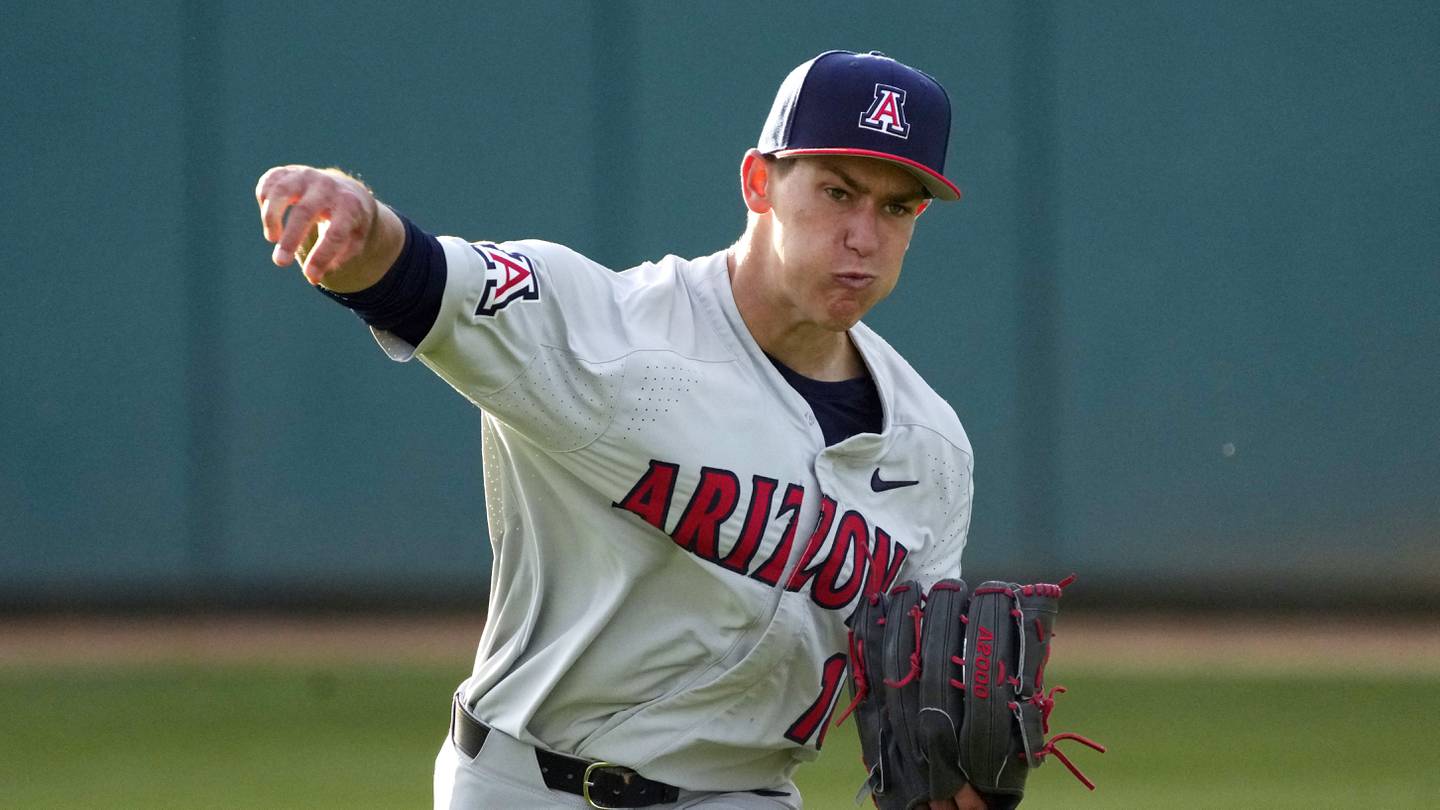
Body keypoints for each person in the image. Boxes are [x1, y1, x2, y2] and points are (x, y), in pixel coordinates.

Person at [255, 50, 983, 810]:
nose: (863, 235)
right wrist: (353, 220)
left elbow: (918, 683)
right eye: (838, 192)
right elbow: (418, 280)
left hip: (744, 796)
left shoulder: (931, 447)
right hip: (528, 784)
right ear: (758, 182)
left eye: (896, 208)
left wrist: (951, 766)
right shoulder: (607, 331)